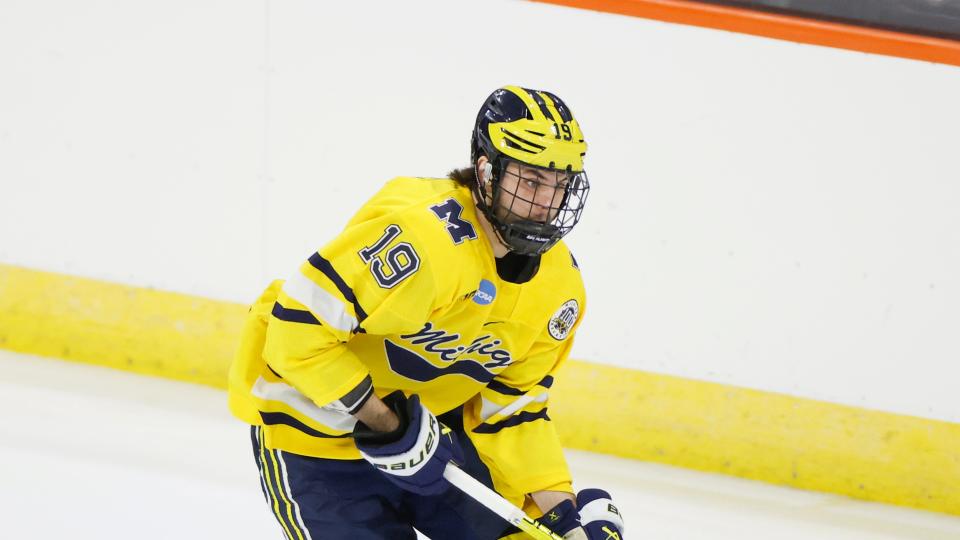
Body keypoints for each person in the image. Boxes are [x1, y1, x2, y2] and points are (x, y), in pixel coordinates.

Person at [228, 86, 625, 540]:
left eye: (559, 185)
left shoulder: (559, 288)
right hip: (314, 438)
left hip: (431, 442)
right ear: (486, 171)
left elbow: (512, 407)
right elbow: (296, 328)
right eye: (531, 181)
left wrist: (563, 513)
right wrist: (385, 422)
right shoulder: (425, 240)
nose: (545, 203)